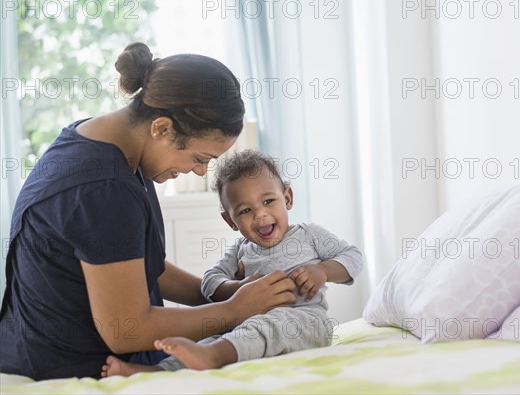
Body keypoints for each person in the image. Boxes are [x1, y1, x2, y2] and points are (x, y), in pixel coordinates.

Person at [0, 42, 297, 380]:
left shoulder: (108, 142)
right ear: (162, 128)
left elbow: (132, 266)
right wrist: (232, 311)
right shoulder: (102, 188)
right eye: (200, 159)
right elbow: (125, 328)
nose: (200, 172)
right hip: (67, 367)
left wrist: (220, 292)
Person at [102, 149, 364, 376]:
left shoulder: (309, 235)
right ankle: (156, 372)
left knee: (265, 325)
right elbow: (210, 282)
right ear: (230, 221)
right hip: (248, 325)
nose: (260, 215)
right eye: (245, 211)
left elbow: (353, 256)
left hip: (305, 323)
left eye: (268, 201)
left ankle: (213, 357)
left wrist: (323, 271)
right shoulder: (240, 249)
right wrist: (236, 289)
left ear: (288, 198)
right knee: (211, 337)